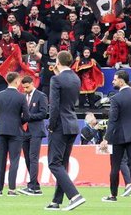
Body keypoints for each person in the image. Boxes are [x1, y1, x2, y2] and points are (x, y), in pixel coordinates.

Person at [48, 50, 85, 211]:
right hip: (72, 123)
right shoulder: (75, 78)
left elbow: (54, 106)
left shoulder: (56, 80)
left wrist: (51, 124)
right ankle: (57, 200)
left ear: (58, 61)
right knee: (62, 164)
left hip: (60, 125)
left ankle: (74, 195)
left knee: (54, 163)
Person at [102, 69, 131, 203]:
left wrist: (106, 138)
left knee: (115, 166)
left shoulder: (116, 98)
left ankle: (113, 195)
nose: (113, 81)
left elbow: (112, 120)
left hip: (118, 136)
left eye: (114, 79)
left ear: (121, 80)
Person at [0, 71, 27, 196]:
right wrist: (18, 121)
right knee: (14, 160)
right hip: (16, 131)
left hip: (2, 130)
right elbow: (26, 116)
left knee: (1, 160)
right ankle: (11, 189)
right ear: (16, 81)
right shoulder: (21, 97)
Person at [20, 74, 48, 196]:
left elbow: (43, 114)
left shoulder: (41, 96)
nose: (25, 90)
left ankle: (32, 186)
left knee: (33, 158)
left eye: (27, 87)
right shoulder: (23, 97)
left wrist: (28, 117)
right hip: (25, 131)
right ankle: (35, 185)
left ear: (32, 83)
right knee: (27, 158)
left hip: (36, 131)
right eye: (24, 88)